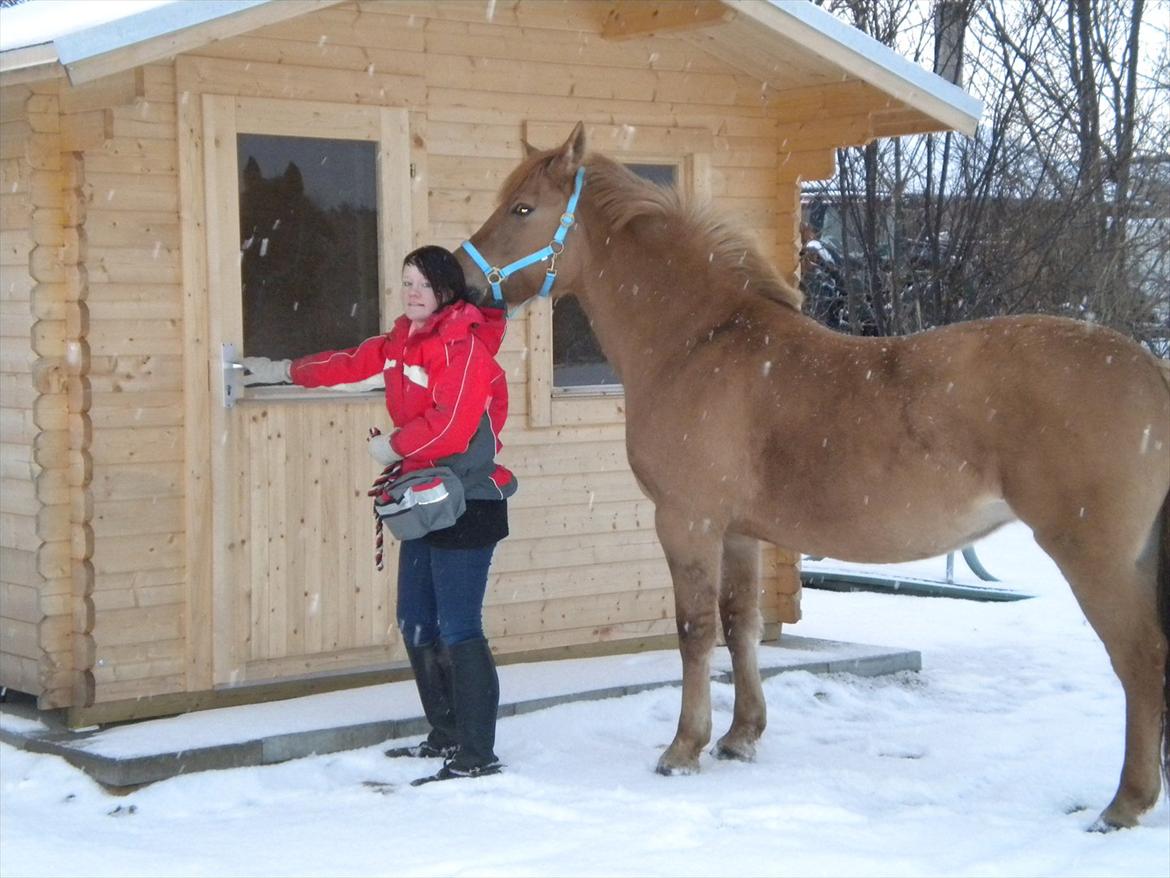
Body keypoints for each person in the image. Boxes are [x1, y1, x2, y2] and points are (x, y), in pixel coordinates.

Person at [241, 245, 516, 784]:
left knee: (460, 629)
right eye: (405, 281)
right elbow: (349, 363)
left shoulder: (466, 348)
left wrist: (396, 445)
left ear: (445, 290)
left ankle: (477, 752)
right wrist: (280, 371)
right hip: (423, 500)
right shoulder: (399, 343)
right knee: (416, 622)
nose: (410, 292)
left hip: (468, 502)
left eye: (420, 284)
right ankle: (446, 733)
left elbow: (454, 425)